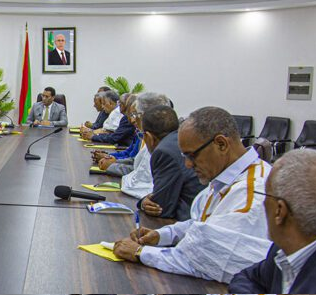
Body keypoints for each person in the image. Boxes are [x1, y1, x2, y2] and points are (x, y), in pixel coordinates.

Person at [113, 106, 272, 283]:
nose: (188, 165)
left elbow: (206, 260)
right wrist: (163, 234)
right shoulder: (229, 177)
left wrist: (140, 252)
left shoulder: (252, 192)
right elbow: (204, 224)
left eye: (192, 155)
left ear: (221, 144)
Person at [229, 149, 316, 293]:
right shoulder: (287, 247)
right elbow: (246, 278)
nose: (263, 203)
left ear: (280, 211)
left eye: (265, 195)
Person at [137, 105, 204, 221]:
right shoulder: (176, 140)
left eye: (142, 135)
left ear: (149, 137)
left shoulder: (163, 151)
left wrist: (142, 203)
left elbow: (160, 207)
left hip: (186, 221)